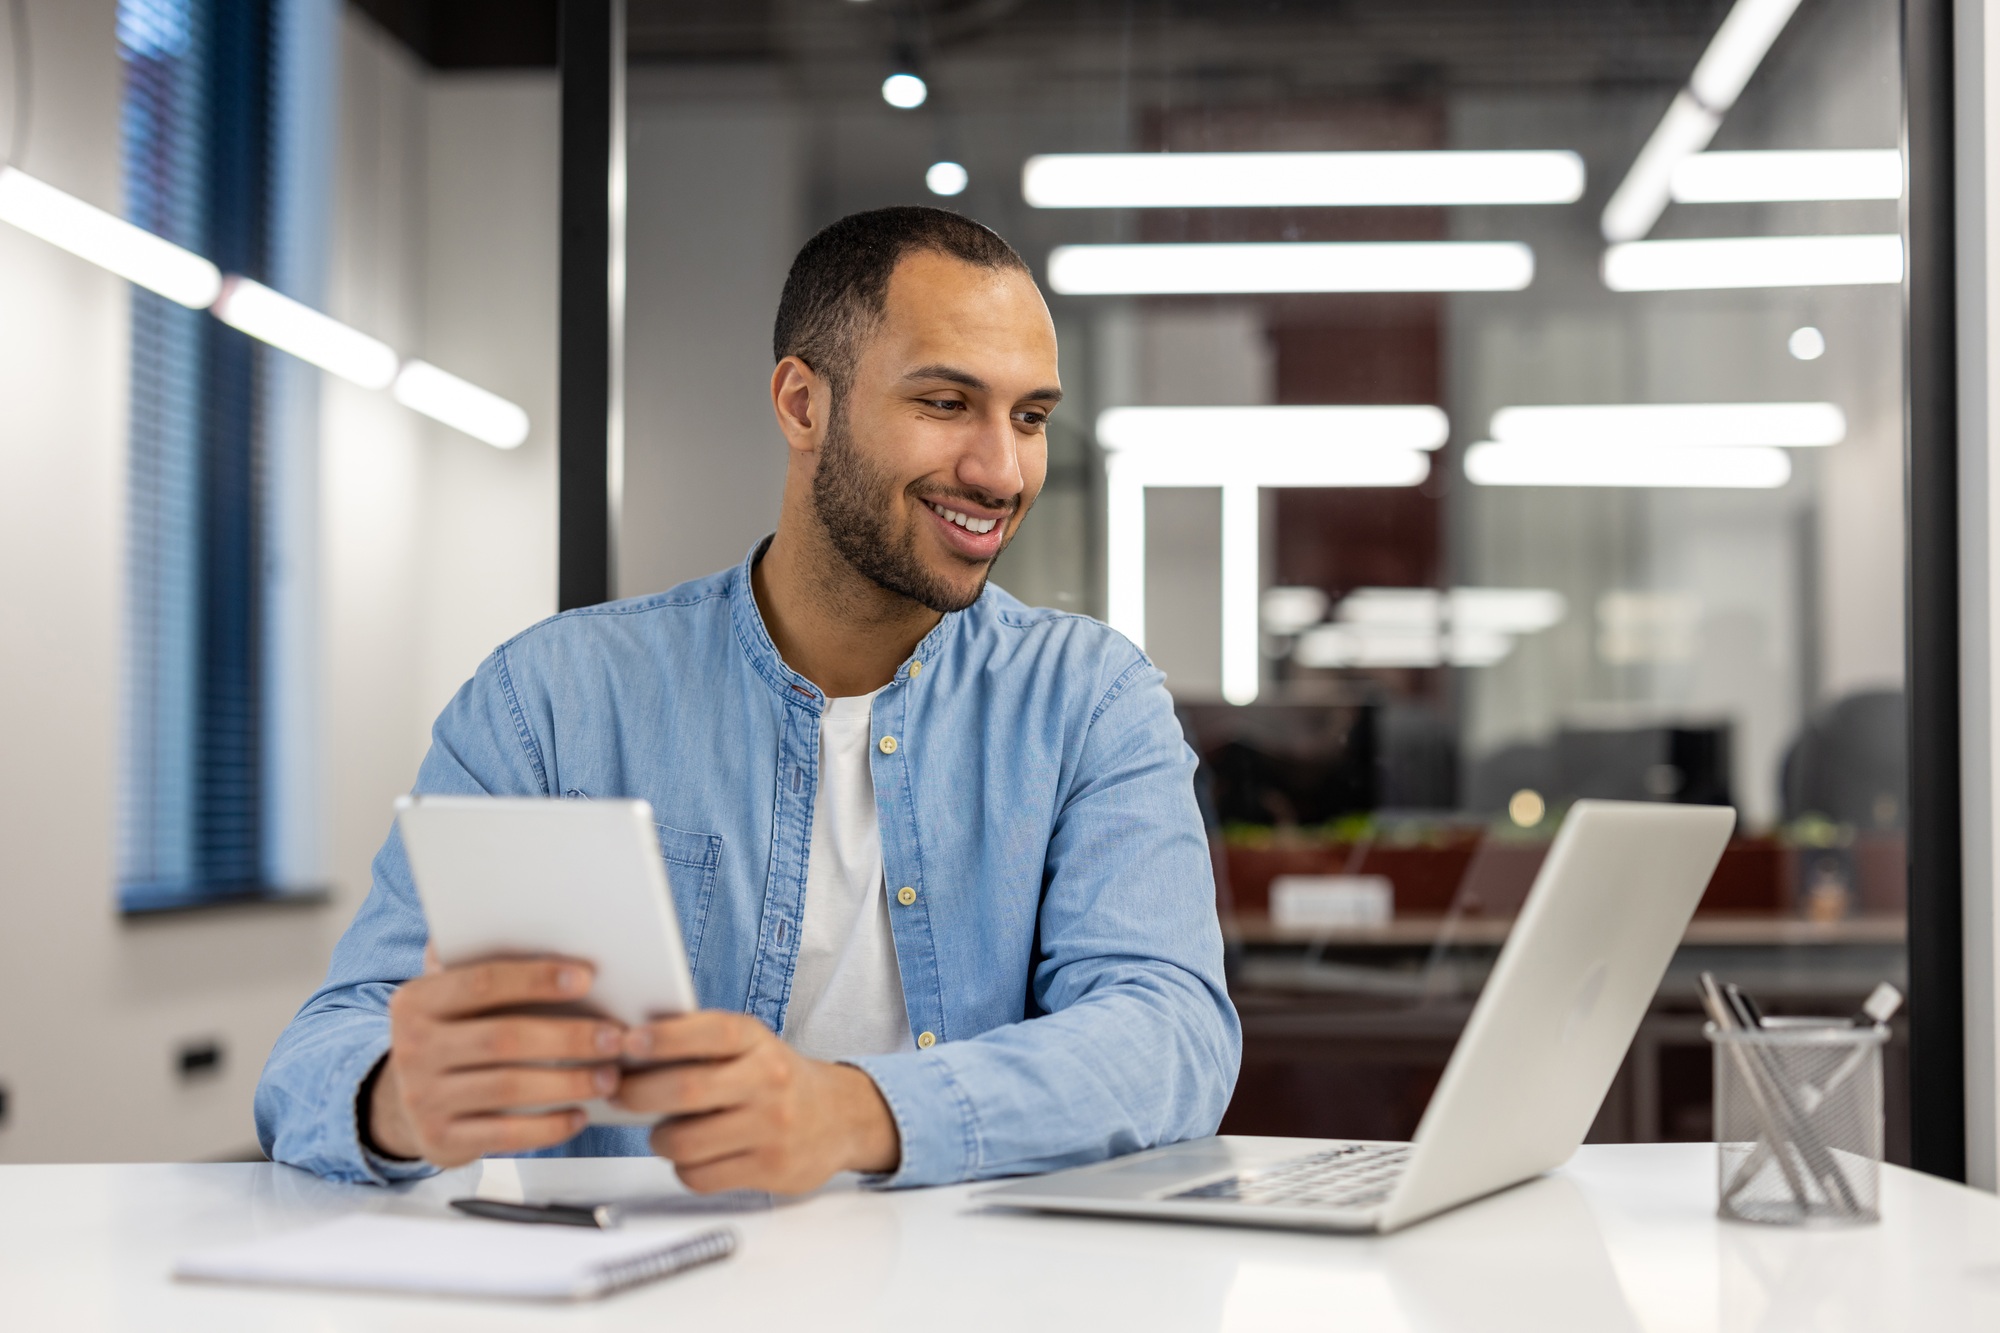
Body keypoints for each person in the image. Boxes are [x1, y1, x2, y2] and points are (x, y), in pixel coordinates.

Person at [255, 206, 1241, 1192]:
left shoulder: (1090, 700)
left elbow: (1170, 1030)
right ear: (802, 404)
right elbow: (319, 1053)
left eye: (1028, 417)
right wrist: (392, 1097)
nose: (1002, 470)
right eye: (946, 403)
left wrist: (854, 1111)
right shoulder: (550, 698)